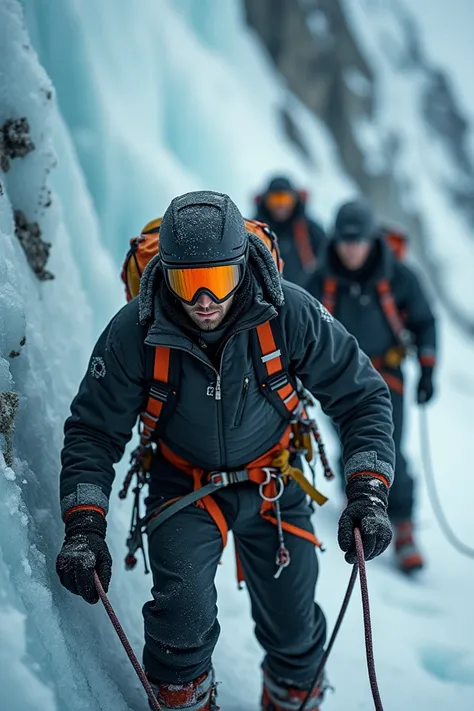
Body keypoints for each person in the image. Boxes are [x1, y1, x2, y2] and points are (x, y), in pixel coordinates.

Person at [56, 191, 395, 711]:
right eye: (188, 282)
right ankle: (184, 697)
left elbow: (362, 395)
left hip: (273, 478)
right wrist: (84, 523)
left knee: (294, 624)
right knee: (180, 620)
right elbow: (94, 431)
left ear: (244, 266)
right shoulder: (136, 331)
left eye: (217, 280)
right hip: (181, 483)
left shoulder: (290, 313)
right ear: (164, 275)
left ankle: (291, 695)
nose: (204, 300)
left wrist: (369, 490)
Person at [308, 199, 437, 574]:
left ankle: (404, 527)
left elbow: (426, 321)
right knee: (347, 441)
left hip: (387, 375)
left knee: (389, 447)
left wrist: (427, 369)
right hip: (336, 380)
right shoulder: (321, 278)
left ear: (372, 240)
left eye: (359, 241)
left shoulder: (399, 276)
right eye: (346, 241)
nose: (352, 249)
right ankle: (361, 500)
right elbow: (303, 327)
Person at [254, 176, 326, 289]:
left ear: (294, 200)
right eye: (275, 200)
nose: (280, 206)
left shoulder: (310, 230)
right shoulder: (254, 230)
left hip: (306, 296)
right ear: (266, 201)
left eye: (285, 199)